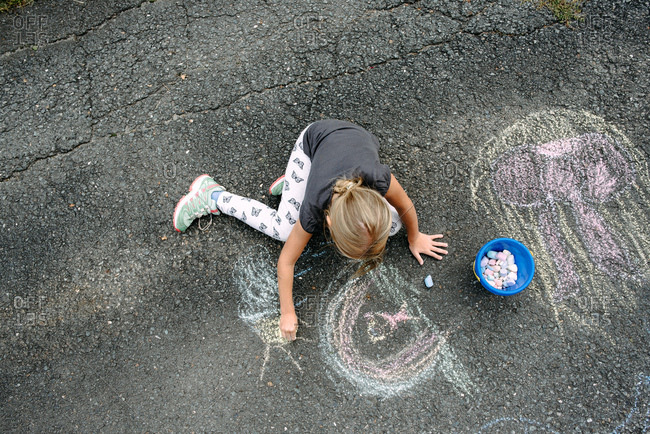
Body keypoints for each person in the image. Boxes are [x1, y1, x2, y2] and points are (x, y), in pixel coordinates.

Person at [173, 119, 448, 341]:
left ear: (375, 197)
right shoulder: (314, 207)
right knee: (283, 229)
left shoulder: (379, 177)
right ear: (327, 222)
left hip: (349, 139)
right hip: (312, 144)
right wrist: (287, 312)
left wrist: (415, 236)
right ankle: (212, 196)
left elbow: (406, 207)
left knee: (395, 224)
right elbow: (286, 260)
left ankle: (294, 187)